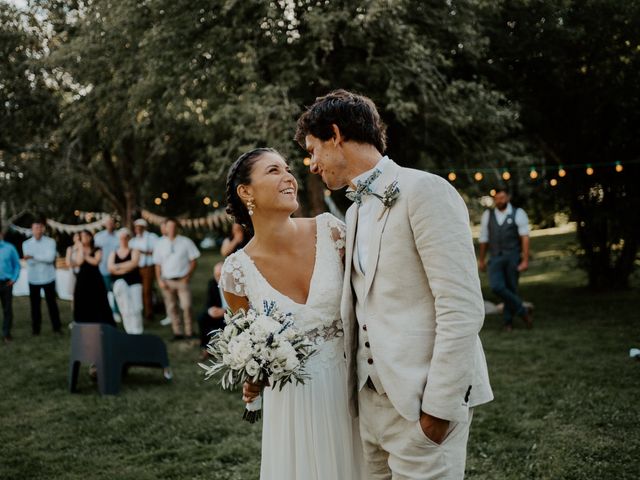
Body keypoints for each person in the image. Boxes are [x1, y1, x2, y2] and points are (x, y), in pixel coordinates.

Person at [294, 89, 494, 479]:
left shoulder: (427, 191)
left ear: (335, 135)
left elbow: (461, 306)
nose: (312, 165)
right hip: (369, 410)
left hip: (422, 406)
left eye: (313, 150)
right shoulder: (353, 214)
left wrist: (437, 411)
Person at [221, 148, 365, 480]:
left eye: (288, 169)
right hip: (294, 405)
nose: (289, 177)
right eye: (273, 171)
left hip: (352, 389)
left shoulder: (331, 233)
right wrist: (252, 375)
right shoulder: (237, 271)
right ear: (246, 192)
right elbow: (247, 344)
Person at [478, 188, 532, 331]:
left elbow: (525, 237)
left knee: (511, 289)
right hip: (495, 258)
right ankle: (523, 310)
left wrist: (525, 260)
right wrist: (481, 259)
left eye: (502, 198)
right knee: (496, 286)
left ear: (507, 198)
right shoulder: (487, 215)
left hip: (513, 257)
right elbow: (484, 238)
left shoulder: (518, 213)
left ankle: (508, 323)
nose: (499, 201)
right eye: (496, 198)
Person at [153, 218, 200, 341]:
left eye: (174, 226)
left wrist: (187, 276)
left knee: (186, 306)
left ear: (177, 228)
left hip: (182, 280)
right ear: (165, 228)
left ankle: (189, 331)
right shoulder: (160, 243)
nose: (172, 229)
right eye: (169, 226)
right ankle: (177, 332)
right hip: (167, 281)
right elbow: (157, 264)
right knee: (172, 307)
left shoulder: (186, 242)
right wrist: (159, 280)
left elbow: (194, 261)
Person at [22, 218, 62, 336]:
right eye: (35, 228)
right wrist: (39, 257)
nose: (38, 230)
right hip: (33, 279)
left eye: (40, 228)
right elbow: (30, 262)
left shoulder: (50, 242)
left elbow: (50, 259)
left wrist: (33, 256)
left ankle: (57, 327)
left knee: (52, 304)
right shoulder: (26, 244)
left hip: (49, 277)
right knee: (35, 306)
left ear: (43, 229)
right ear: (32, 229)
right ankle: (36, 329)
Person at [70, 230, 115, 326]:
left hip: (95, 278)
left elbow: (95, 262)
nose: (84, 238)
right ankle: (82, 320)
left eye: (86, 236)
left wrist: (86, 256)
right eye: (82, 236)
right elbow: (79, 262)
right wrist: (81, 249)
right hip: (83, 278)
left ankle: (102, 320)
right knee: (81, 298)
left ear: (90, 237)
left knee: (99, 299)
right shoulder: (79, 249)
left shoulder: (97, 248)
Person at [108, 228, 143, 334]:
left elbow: (134, 264)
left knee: (136, 307)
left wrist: (117, 267)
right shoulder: (114, 253)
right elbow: (110, 268)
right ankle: (129, 330)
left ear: (129, 238)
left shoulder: (134, 251)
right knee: (125, 309)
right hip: (119, 283)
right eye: (121, 238)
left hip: (134, 282)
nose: (123, 240)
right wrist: (126, 268)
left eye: (125, 237)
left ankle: (137, 330)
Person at [129, 218, 158, 322]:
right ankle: (141, 310)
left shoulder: (152, 237)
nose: (137, 229)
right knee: (139, 290)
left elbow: (157, 251)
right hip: (137, 268)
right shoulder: (133, 240)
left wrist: (143, 252)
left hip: (148, 267)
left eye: (139, 227)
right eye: (136, 227)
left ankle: (149, 313)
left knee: (147, 290)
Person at [94, 216, 121, 322]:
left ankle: (116, 311)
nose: (110, 225)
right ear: (105, 224)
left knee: (116, 291)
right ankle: (104, 311)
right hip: (103, 269)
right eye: (108, 223)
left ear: (114, 224)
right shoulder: (98, 237)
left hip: (117, 269)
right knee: (104, 292)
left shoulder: (119, 236)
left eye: (112, 222)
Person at [197, 262, 225, 360]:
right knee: (202, 317)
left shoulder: (234, 284)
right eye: (217, 275)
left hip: (232, 314)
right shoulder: (212, 283)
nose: (219, 278)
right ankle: (205, 348)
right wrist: (210, 310)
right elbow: (208, 302)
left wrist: (225, 311)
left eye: (221, 275)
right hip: (218, 314)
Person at [0, 222, 20, 343]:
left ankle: (6, 333)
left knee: (7, 309)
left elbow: (16, 265)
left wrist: (14, 278)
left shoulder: (10, 248)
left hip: (6, 283)